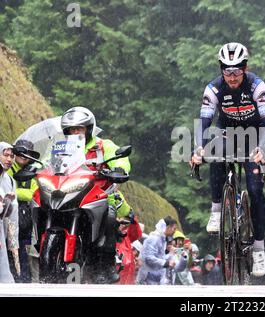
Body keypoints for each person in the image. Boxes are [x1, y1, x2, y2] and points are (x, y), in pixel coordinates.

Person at [190, 42, 265, 277]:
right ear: (221, 70)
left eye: (237, 71)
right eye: (227, 71)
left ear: (245, 68)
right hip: (228, 134)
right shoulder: (214, 89)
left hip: (255, 137)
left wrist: (262, 148)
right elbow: (204, 122)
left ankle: (258, 248)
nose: (232, 76)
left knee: (256, 192)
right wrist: (198, 148)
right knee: (214, 152)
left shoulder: (257, 86)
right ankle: (217, 209)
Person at [60, 106, 133, 283]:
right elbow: (48, 162)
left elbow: (121, 159)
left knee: (109, 214)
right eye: (71, 130)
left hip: (98, 195)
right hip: (68, 196)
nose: (75, 132)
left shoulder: (103, 145)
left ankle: (105, 264)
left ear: (89, 129)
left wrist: (119, 168)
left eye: (79, 129)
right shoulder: (61, 148)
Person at [6, 139, 39, 283]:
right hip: (7, 217)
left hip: (25, 223)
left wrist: (14, 192)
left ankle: (23, 283)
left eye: (27, 153)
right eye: (21, 152)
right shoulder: (7, 169)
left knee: (24, 256)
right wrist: (22, 193)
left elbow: (34, 193)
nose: (23, 155)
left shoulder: (33, 173)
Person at [136, 216, 182, 285]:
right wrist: (166, 263)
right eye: (174, 229)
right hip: (147, 279)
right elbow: (149, 258)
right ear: (168, 227)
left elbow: (161, 257)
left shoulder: (162, 240)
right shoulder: (154, 238)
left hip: (157, 279)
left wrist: (172, 255)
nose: (174, 231)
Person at [0, 142, 19, 283]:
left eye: (12, 156)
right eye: (5, 155)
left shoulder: (10, 180)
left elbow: (12, 213)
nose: (9, 159)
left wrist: (13, 243)